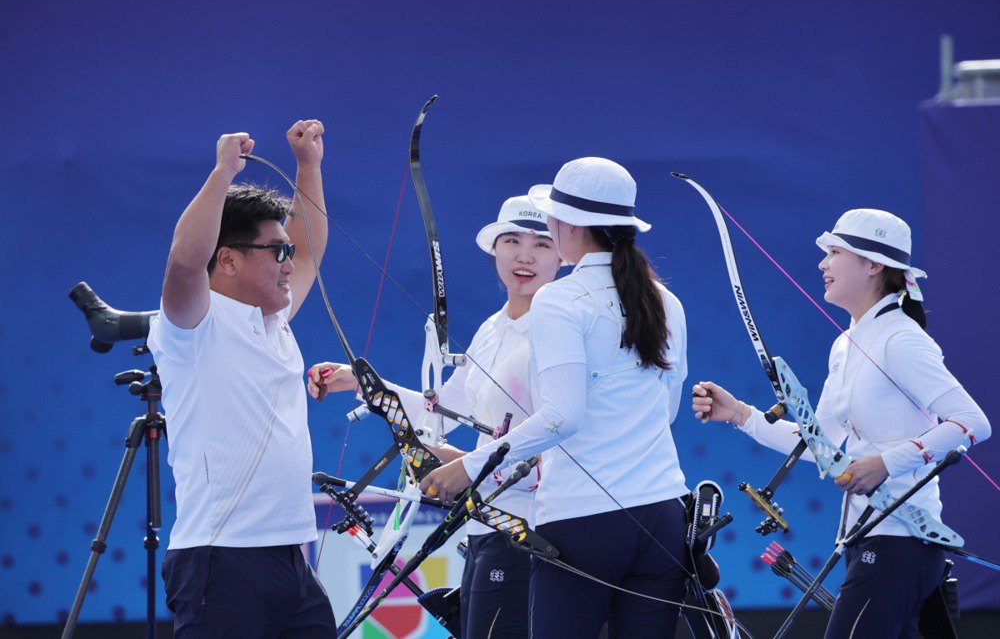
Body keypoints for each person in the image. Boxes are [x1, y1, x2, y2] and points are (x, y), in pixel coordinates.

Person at [419, 157, 691, 637]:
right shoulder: (665, 299)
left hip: (585, 521)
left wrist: (467, 467)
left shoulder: (560, 299)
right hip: (664, 514)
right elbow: (665, 410)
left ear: (564, 225)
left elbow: (562, 417)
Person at [691, 208, 991, 638]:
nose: (822, 263)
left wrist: (887, 463)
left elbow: (971, 422)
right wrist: (740, 414)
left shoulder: (901, 339)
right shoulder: (846, 343)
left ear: (873, 265)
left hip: (901, 543)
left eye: (834, 252)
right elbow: (826, 448)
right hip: (867, 540)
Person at [308, 194, 562, 638]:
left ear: (563, 253)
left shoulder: (559, 329)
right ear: (494, 250)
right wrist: (364, 385)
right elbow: (440, 413)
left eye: (542, 244)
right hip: (486, 524)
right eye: (513, 241)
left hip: (531, 529)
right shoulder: (491, 329)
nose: (525, 255)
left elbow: (556, 428)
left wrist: (465, 465)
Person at [146, 121, 337, 637]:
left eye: (285, 252)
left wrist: (308, 167)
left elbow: (309, 245)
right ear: (227, 259)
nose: (287, 261)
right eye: (275, 251)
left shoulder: (273, 317)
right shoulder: (192, 324)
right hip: (221, 561)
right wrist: (222, 173)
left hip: (290, 558)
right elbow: (186, 261)